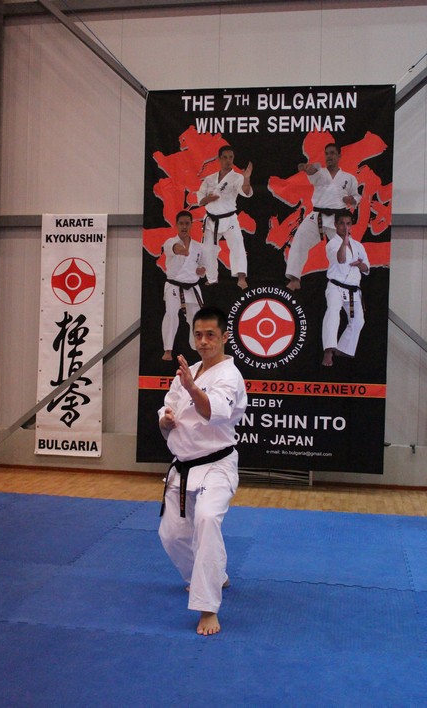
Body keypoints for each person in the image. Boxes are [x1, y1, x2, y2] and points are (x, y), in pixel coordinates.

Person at [158, 306, 247, 635]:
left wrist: (193, 388)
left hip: (216, 465)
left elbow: (213, 412)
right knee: (171, 535)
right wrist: (165, 419)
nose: (204, 341)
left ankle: (208, 607)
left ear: (225, 337)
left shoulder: (229, 376)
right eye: (198, 335)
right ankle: (211, 574)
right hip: (182, 467)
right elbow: (168, 405)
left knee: (207, 521)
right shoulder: (188, 371)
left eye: (211, 335)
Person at [286, 142, 361, 291]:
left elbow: (357, 196)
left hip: (338, 218)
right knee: (299, 240)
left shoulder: (349, 178)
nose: (329, 156)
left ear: (339, 156)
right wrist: (307, 168)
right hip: (317, 216)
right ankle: (294, 279)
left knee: (346, 250)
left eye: (332, 153)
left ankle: (348, 281)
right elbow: (310, 170)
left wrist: (351, 200)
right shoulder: (319, 173)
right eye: (326, 153)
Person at [197, 145, 253, 290]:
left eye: (231, 157)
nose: (228, 160)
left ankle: (241, 278)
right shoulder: (209, 179)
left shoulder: (237, 177)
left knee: (238, 246)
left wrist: (247, 179)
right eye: (225, 157)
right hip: (211, 220)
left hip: (229, 219)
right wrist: (208, 199)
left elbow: (245, 192)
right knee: (208, 250)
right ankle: (212, 278)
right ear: (219, 159)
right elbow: (200, 199)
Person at [321, 211, 370, 367]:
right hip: (336, 287)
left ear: (351, 225)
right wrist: (345, 242)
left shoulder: (358, 246)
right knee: (333, 314)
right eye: (341, 223)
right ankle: (328, 351)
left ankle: (343, 348)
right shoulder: (332, 244)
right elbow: (341, 259)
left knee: (358, 320)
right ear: (336, 225)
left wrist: (360, 264)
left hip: (352, 291)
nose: (345, 227)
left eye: (348, 223)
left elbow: (366, 268)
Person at [161, 210, 206, 361]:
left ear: (191, 225)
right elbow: (176, 249)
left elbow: (202, 266)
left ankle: (197, 347)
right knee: (171, 314)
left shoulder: (198, 247)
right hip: (174, 286)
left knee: (196, 318)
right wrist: (183, 250)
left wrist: (201, 271)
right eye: (181, 223)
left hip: (192, 286)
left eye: (187, 223)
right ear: (176, 225)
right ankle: (168, 350)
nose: (184, 226)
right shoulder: (170, 242)